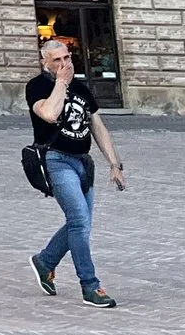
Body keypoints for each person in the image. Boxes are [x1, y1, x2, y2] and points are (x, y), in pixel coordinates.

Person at [26, 35, 124, 308]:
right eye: (57, 60)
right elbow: (48, 113)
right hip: (56, 160)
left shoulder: (81, 88)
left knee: (79, 224)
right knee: (79, 220)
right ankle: (90, 286)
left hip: (83, 162)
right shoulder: (37, 86)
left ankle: (45, 261)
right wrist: (60, 83)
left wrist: (114, 164)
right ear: (45, 63)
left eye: (67, 58)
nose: (64, 63)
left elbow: (97, 126)